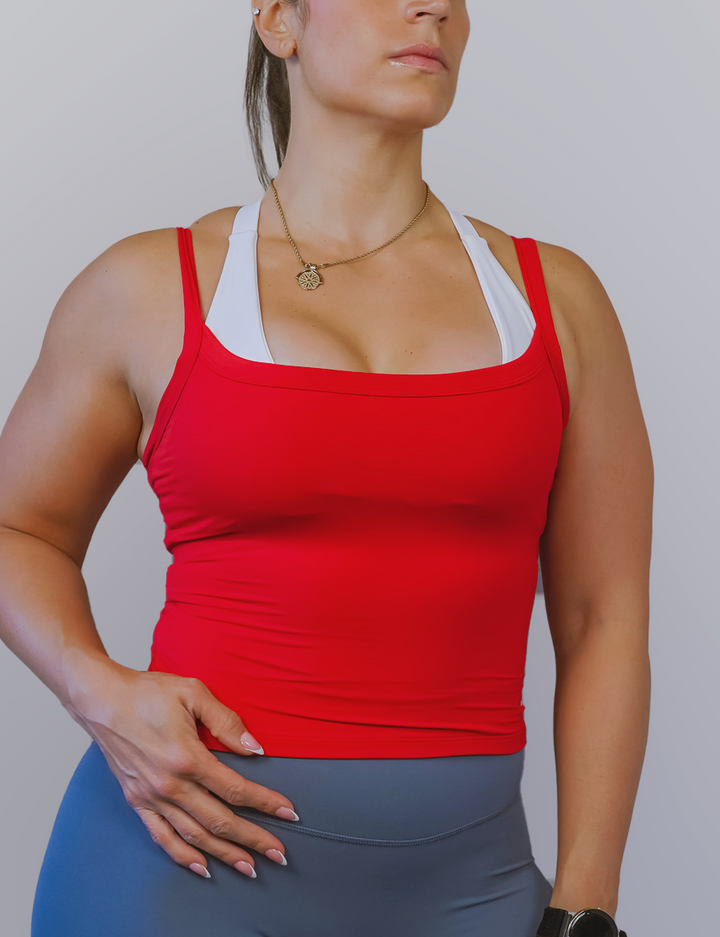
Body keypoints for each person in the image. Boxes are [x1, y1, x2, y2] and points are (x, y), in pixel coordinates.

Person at [0, 2, 652, 936]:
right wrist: (95, 688)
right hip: (177, 872)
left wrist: (587, 902)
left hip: (471, 890)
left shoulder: (559, 305)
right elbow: (16, 525)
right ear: (278, 20)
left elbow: (602, 616)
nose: (432, 6)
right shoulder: (146, 290)